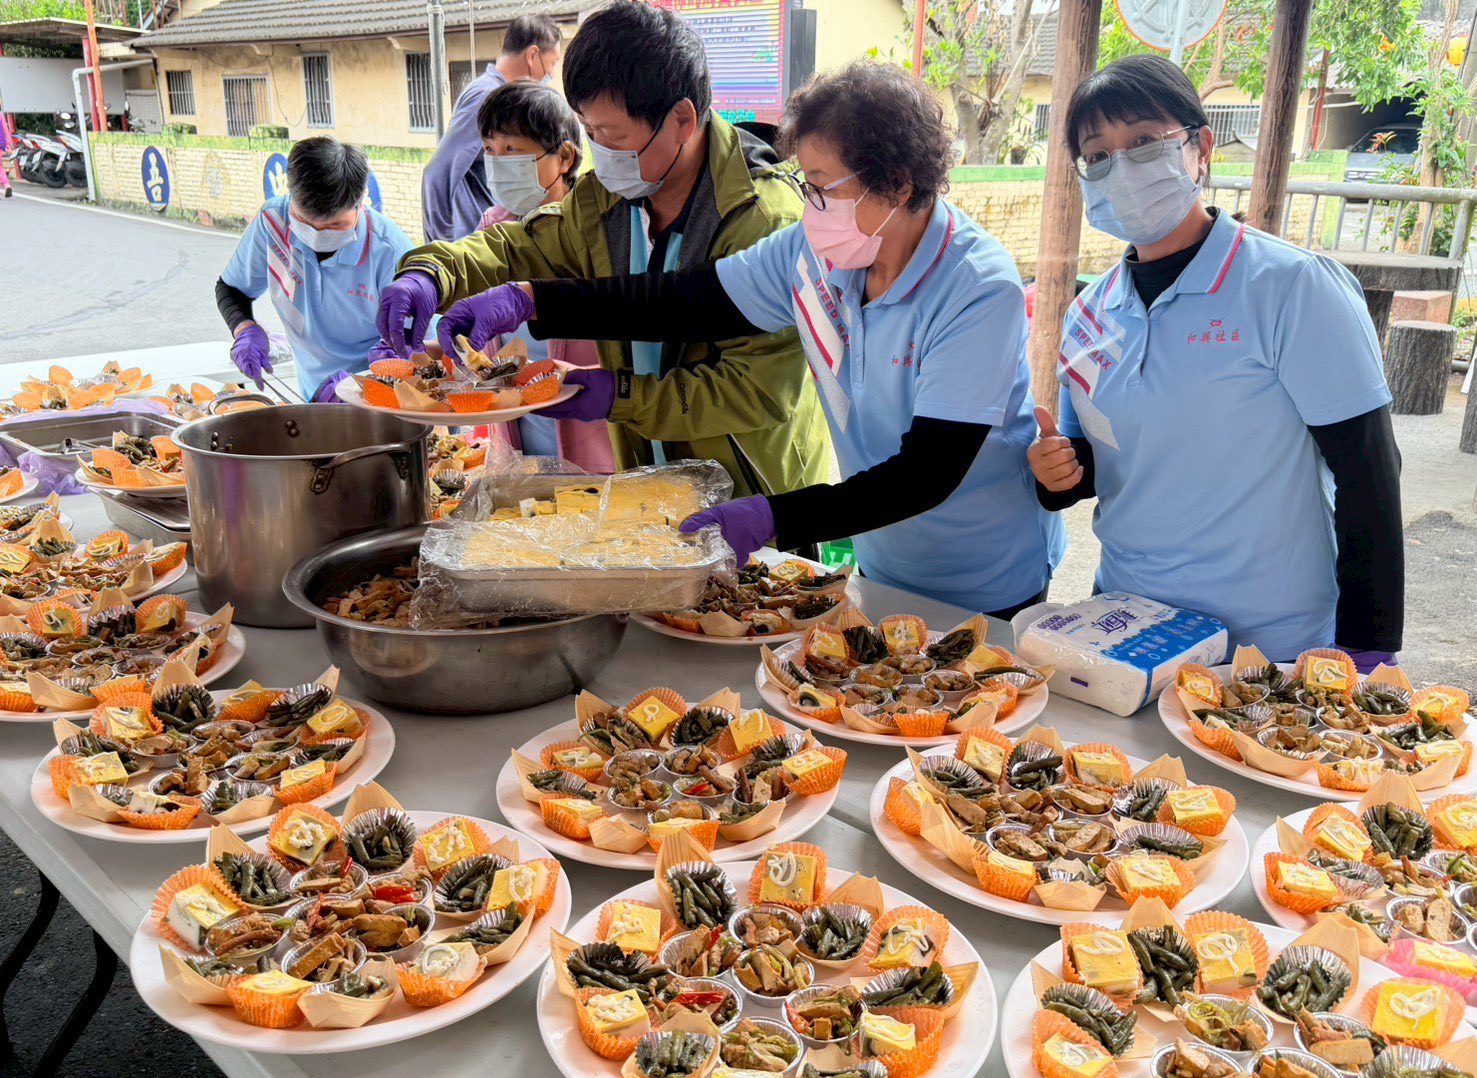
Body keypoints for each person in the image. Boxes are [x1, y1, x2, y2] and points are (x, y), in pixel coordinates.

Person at [417, 61, 1068, 618]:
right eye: (804, 184)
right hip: (882, 559)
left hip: (985, 580)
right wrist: (530, 302)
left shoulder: (977, 286)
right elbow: (689, 300)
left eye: (822, 188)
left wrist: (774, 518)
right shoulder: (820, 250)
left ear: (898, 183)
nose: (808, 205)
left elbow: (924, 473)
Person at [1028, 54, 1402, 664]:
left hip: (1269, 647)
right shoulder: (1089, 314)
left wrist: (1368, 655)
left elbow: (1370, 479)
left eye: (1145, 142)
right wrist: (1053, 474)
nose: (1120, 167)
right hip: (1126, 631)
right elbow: (1093, 466)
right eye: (1097, 155)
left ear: (1200, 148)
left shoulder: (1294, 287)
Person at [379, 0, 831, 502]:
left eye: (612, 135)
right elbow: (517, 246)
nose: (599, 152)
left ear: (682, 118)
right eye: (589, 132)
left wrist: (618, 396)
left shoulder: (762, 220)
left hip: (754, 494)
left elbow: (756, 391)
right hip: (649, 483)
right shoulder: (608, 203)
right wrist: (430, 273)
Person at [475, 80, 613, 472]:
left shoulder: (596, 232)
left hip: (590, 444)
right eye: (490, 149)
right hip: (518, 440)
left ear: (565, 157)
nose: (497, 162)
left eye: (512, 150)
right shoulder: (492, 229)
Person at [218, 137, 414, 402]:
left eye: (334, 226)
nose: (316, 235)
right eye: (303, 221)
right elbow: (231, 289)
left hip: (382, 401)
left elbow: (424, 347)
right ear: (291, 197)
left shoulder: (390, 251)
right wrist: (244, 328)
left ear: (360, 203)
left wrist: (368, 383)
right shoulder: (273, 223)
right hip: (312, 395)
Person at [421, 14, 562, 242]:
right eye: (552, 63)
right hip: (474, 238)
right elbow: (437, 173)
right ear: (533, 55)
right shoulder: (486, 96)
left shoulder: (497, 94)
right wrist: (441, 249)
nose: (551, 74)